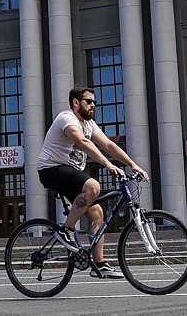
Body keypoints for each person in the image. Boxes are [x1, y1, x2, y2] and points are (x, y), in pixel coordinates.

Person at [36, 86, 150, 280]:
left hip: (70, 172)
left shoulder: (89, 125)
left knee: (97, 214)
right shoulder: (67, 118)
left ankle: (99, 264)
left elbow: (108, 145)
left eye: (94, 102)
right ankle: (66, 231)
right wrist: (107, 164)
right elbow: (82, 142)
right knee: (93, 187)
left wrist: (132, 165)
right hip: (50, 170)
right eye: (89, 101)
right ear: (76, 103)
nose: (93, 105)